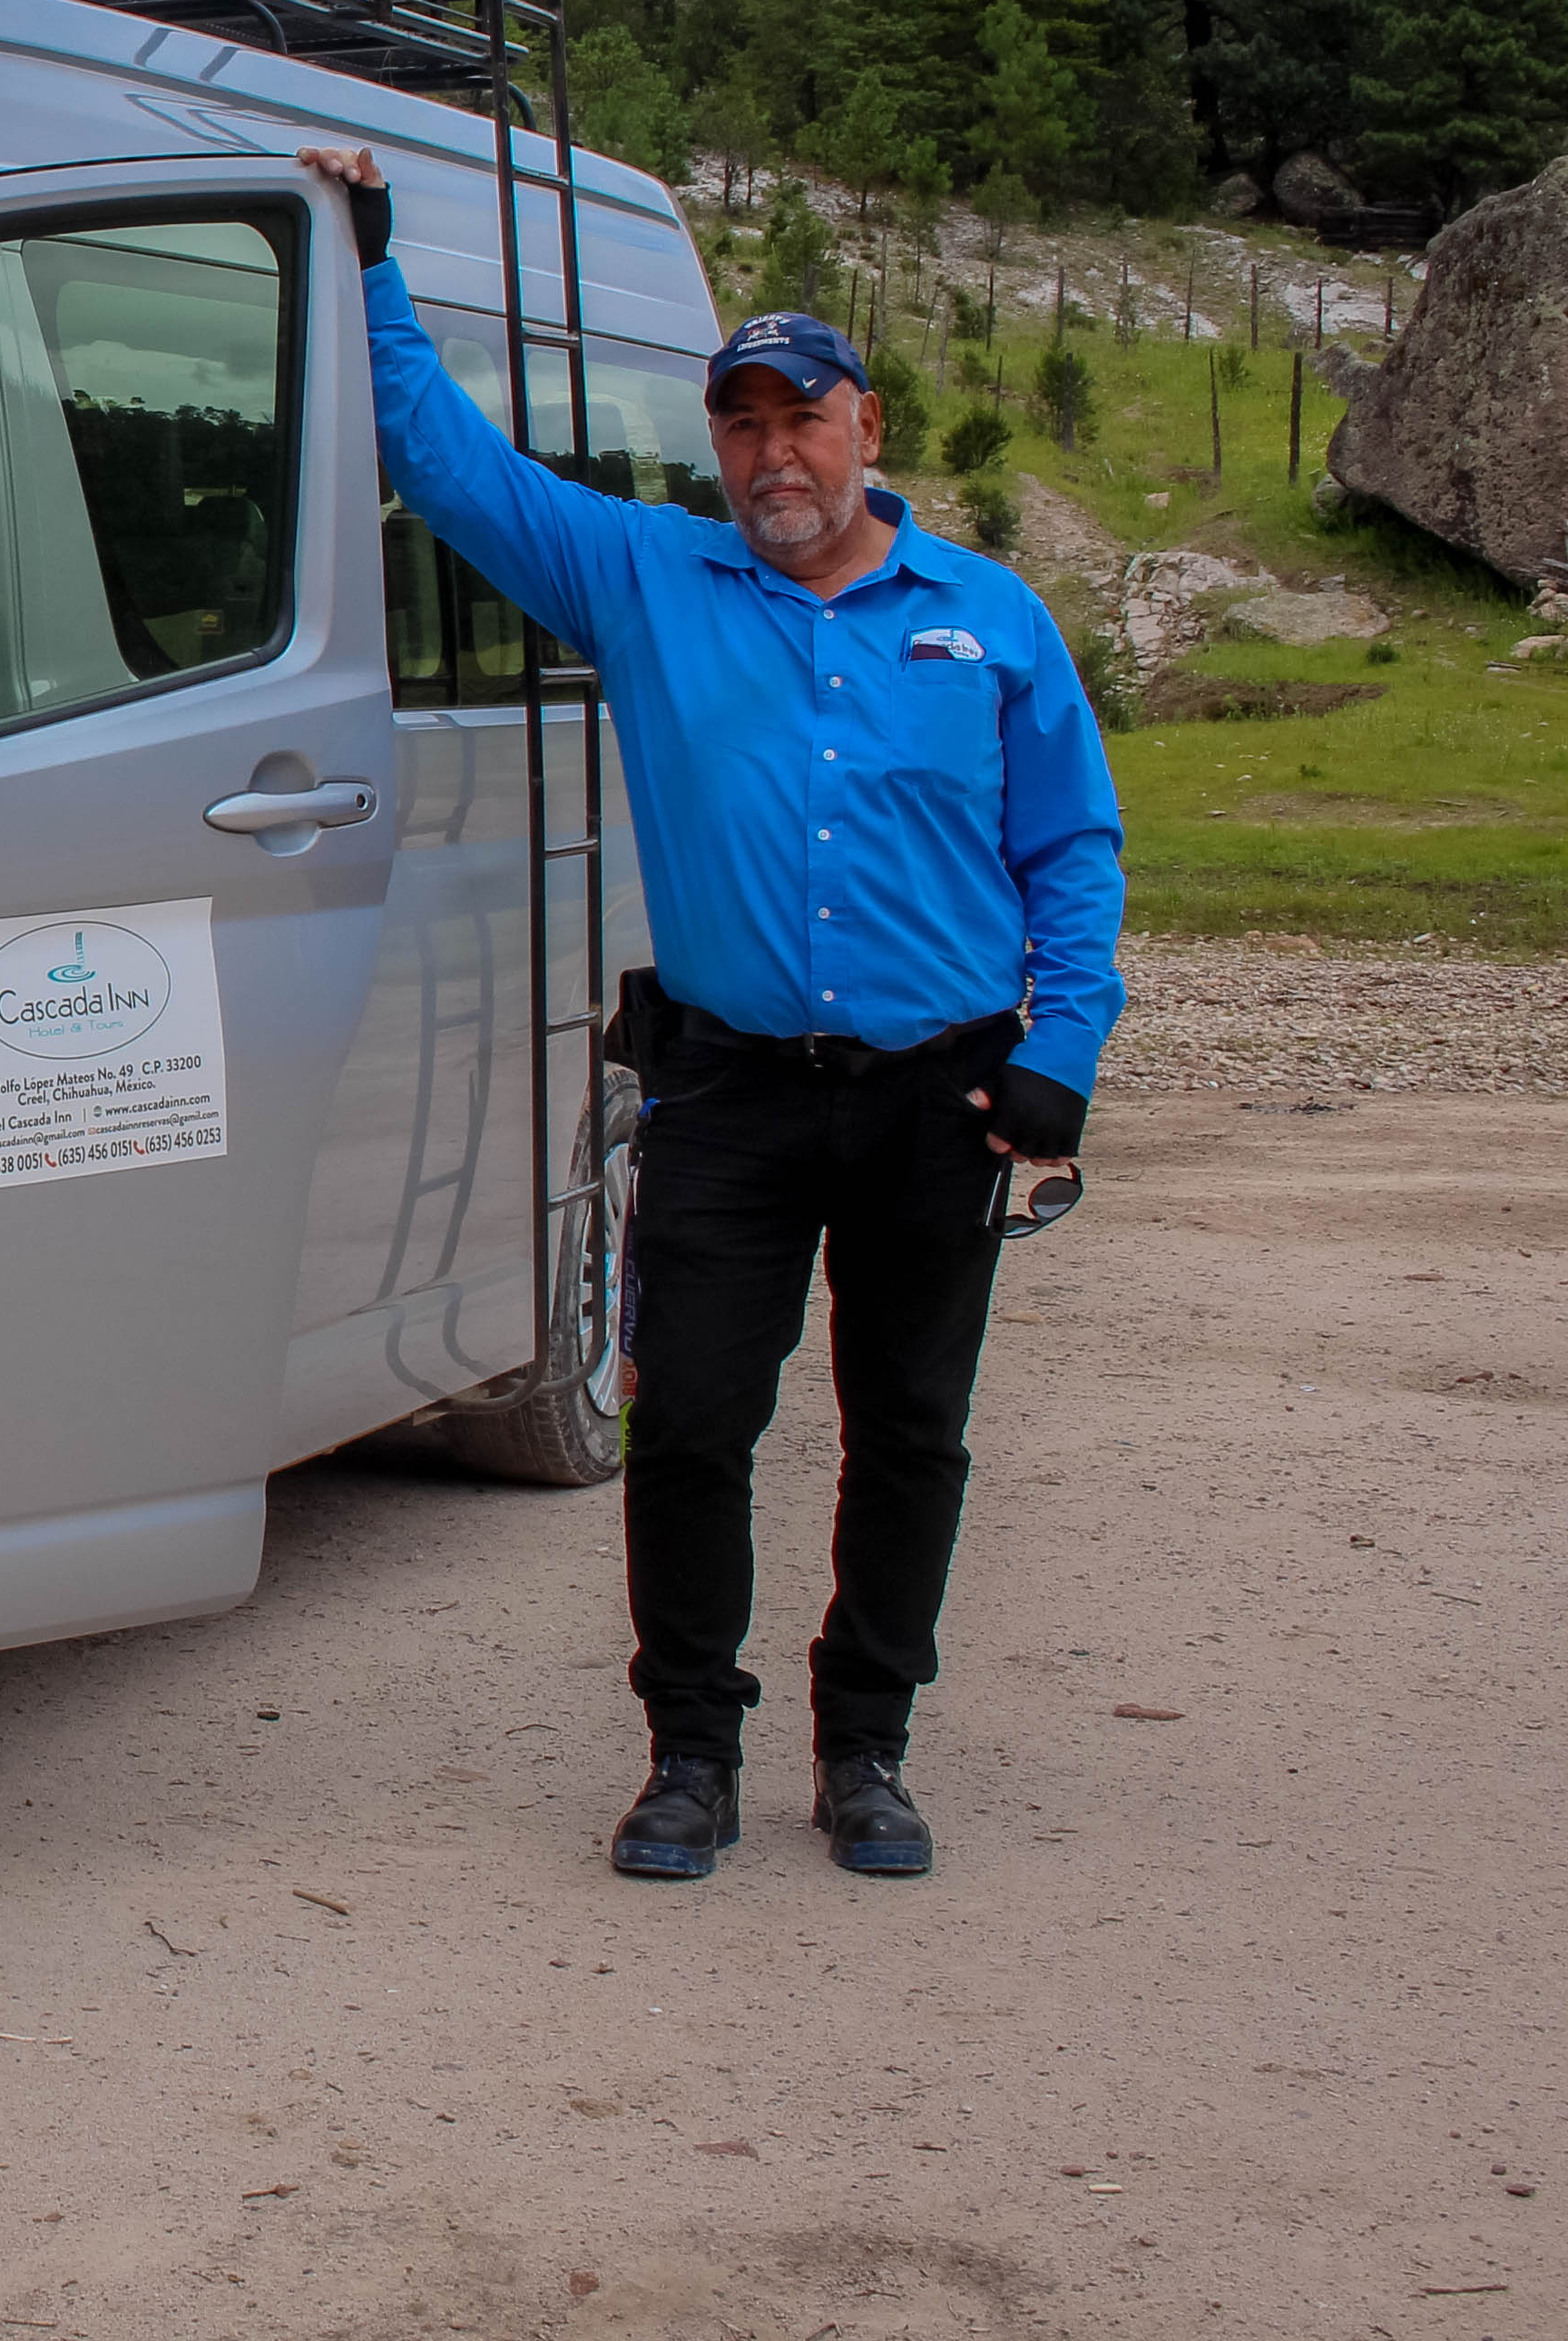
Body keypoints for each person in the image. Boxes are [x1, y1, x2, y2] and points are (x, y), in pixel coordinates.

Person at [303, 143, 1121, 1884]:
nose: (770, 456)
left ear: (866, 426)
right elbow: (446, 463)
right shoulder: (647, 579)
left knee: (909, 1434)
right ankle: (690, 1755)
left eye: (800, 420)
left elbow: (1073, 850)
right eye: (740, 427)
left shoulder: (990, 620)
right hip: (732, 1091)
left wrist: (1060, 1052)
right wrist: (368, 258)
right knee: (686, 1425)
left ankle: (868, 1749)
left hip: (941, 1098)